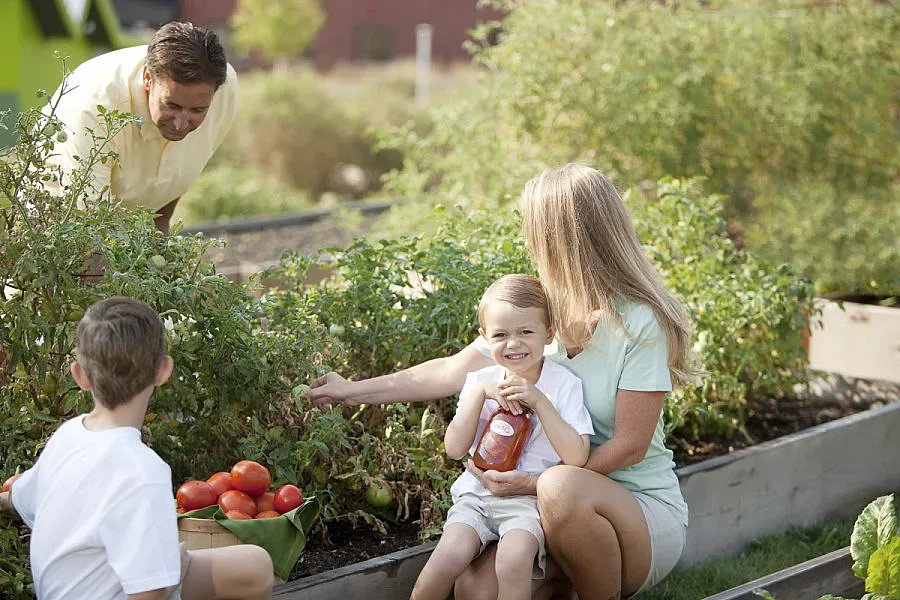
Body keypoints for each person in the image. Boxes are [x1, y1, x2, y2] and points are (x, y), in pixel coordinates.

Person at [308, 163, 694, 599]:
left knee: (560, 487)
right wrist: (348, 390)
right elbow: (450, 371)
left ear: (560, 236)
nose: (528, 239)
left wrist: (535, 483)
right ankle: (559, 579)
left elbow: (630, 445)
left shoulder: (638, 322)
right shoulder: (537, 317)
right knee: (475, 589)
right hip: (538, 508)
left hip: (633, 515)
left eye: (533, 228)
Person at [0, 296, 273, 600]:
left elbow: (17, 499)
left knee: (253, 564)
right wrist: (174, 570)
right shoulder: (143, 470)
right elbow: (150, 593)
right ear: (164, 371)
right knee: (254, 565)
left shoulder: (68, 436)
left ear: (80, 376)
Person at [411, 274, 594, 600]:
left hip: (528, 502)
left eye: (526, 332)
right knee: (449, 555)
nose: (513, 343)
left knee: (513, 560)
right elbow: (454, 449)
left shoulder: (563, 384)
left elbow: (577, 456)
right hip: (476, 495)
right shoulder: (481, 380)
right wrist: (481, 394)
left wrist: (538, 400)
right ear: (484, 337)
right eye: (500, 335)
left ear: (548, 334)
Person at [43, 21, 238, 234]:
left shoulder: (223, 91)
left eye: (197, 110)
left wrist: (159, 232)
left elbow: (181, 166)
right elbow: (88, 229)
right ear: (148, 79)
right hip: (54, 212)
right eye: (171, 105)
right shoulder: (96, 110)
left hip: (124, 214)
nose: (181, 124)